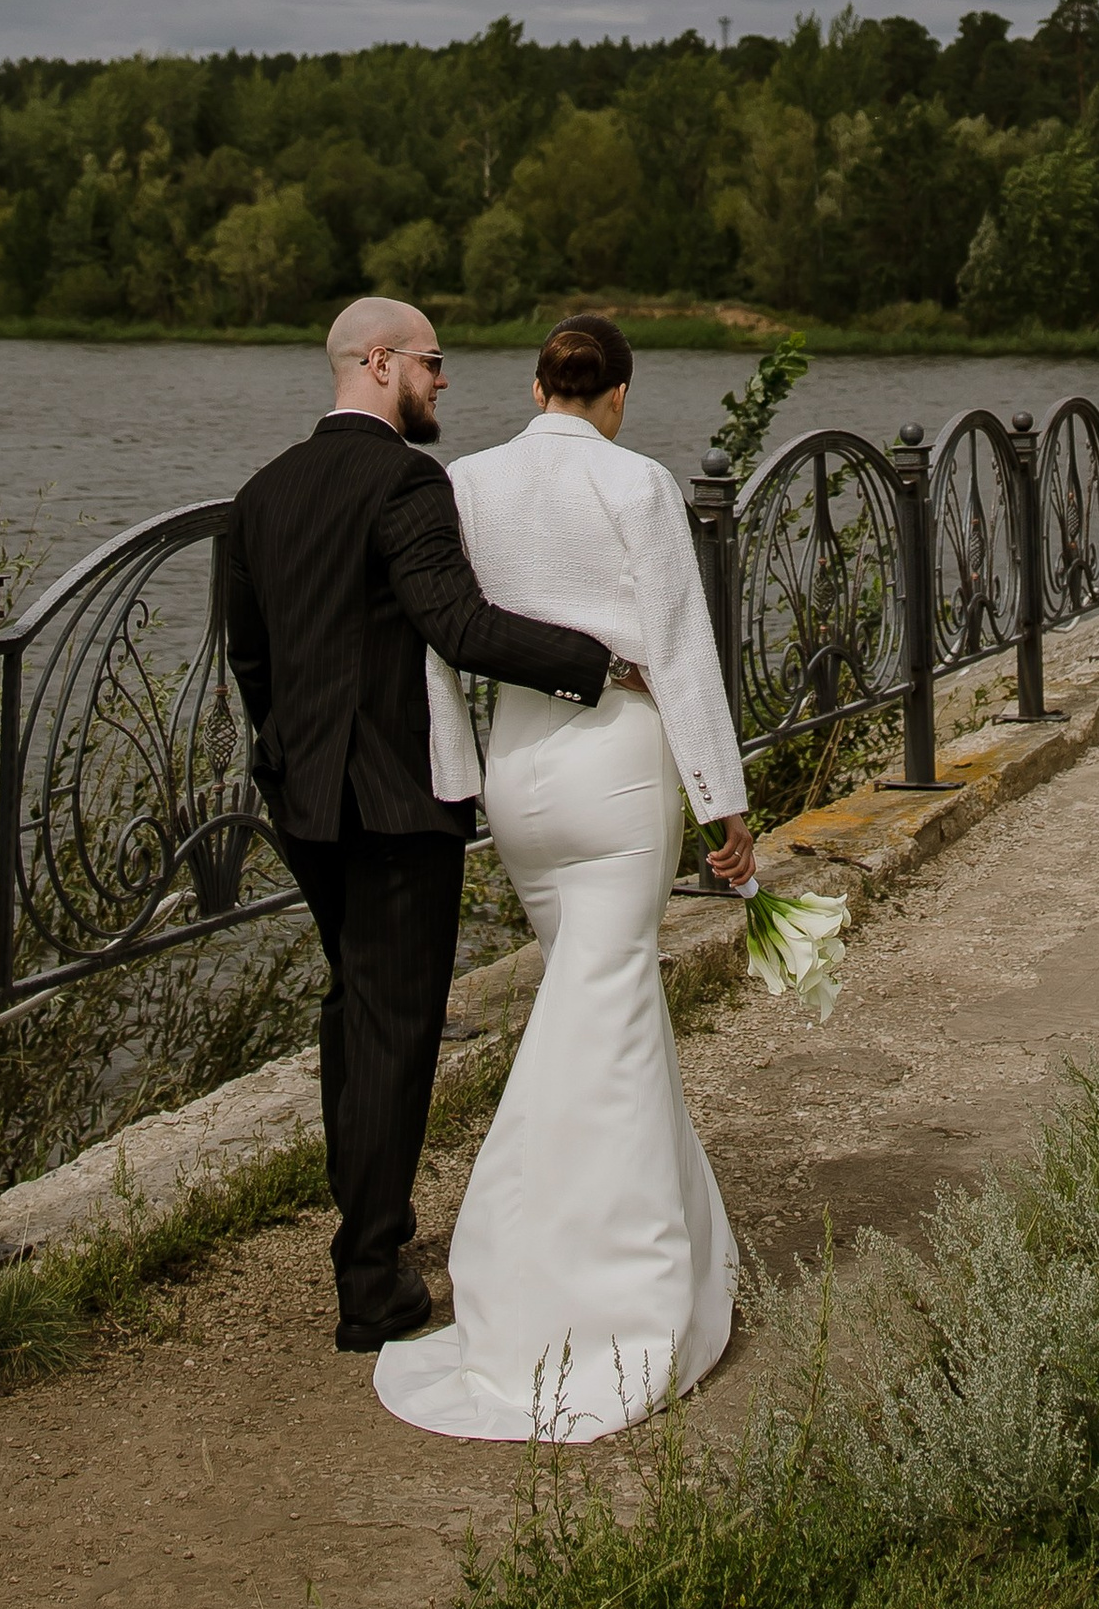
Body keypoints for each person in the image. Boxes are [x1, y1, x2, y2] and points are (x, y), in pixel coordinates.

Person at [374, 312, 757, 1443]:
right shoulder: (636, 487)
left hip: (518, 773)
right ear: (617, 395)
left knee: (598, 1009)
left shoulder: (469, 484)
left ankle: (656, 1248)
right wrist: (723, 801)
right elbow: (681, 653)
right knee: (608, 1010)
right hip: (620, 768)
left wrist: (465, 777)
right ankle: (575, 1293)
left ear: (537, 385)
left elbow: (438, 637)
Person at [220, 296, 613, 1353]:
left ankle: (363, 1235)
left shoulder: (260, 495)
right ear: (379, 361)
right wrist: (600, 665)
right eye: (433, 363)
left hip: (304, 799)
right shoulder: (405, 479)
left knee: (356, 1012)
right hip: (397, 800)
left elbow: (249, 659)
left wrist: (293, 754)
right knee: (396, 1026)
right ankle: (370, 1281)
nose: (444, 381)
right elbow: (457, 625)